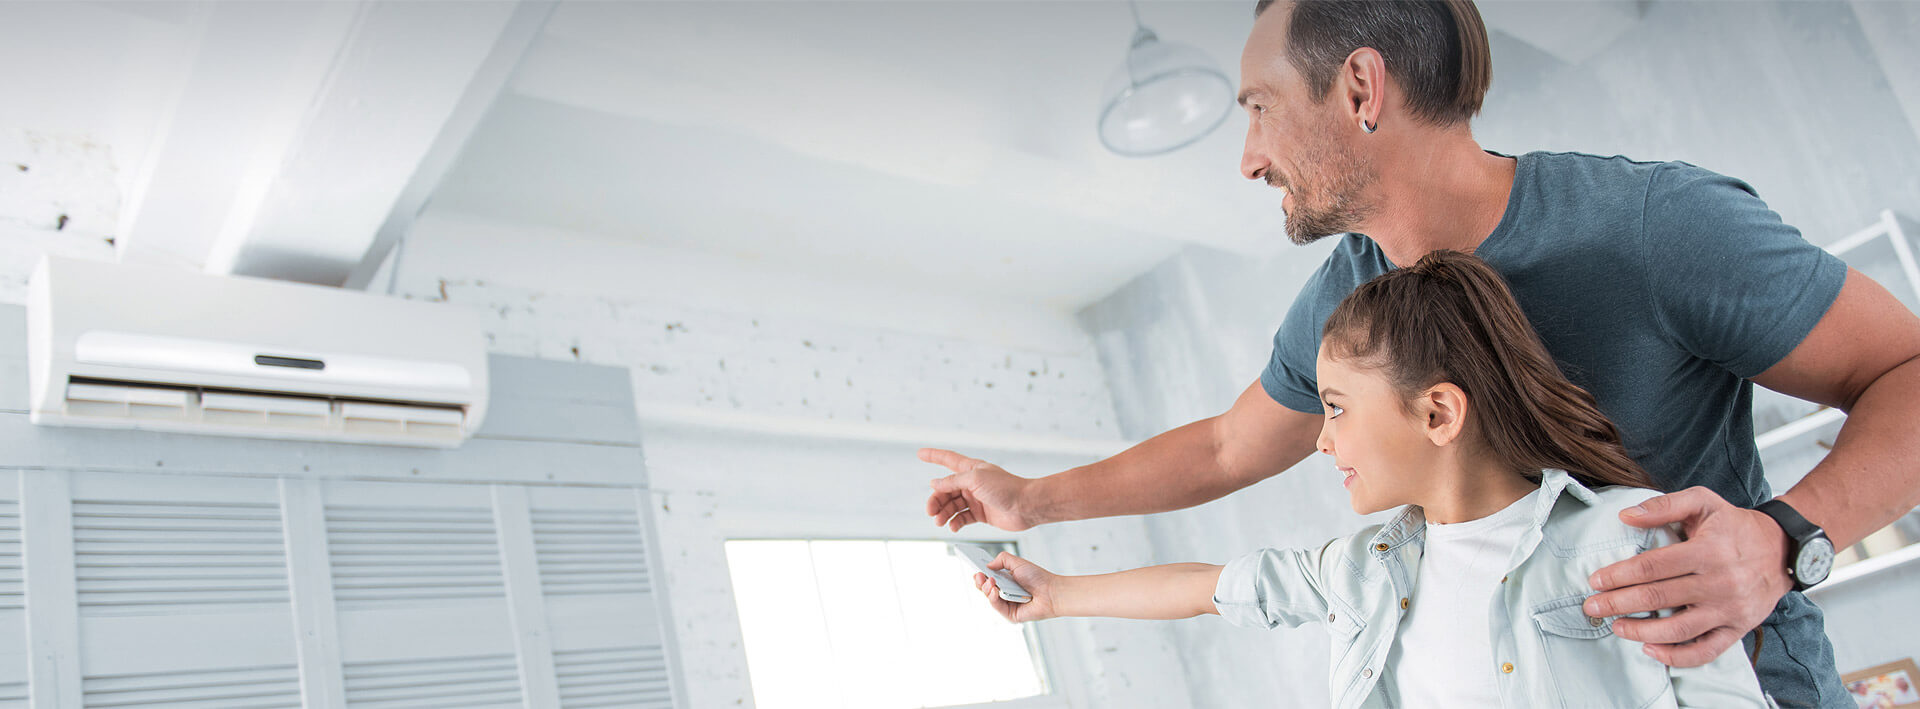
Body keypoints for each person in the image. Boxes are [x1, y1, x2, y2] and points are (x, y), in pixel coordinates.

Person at [921, 1, 1920, 706]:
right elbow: (1231, 447)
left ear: (1360, 86)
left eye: (1259, 107)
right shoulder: (1351, 299)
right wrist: (1033, 500)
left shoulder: (1654, 226)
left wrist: (1782, 540)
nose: (1247, 158)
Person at [969, 251, 1768, 708]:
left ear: (1438, 413)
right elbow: (1208, 586)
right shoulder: (1361, 571)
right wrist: (1058, 594)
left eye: (1338, 407)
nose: (1321, 439)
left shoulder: (1623, 539)